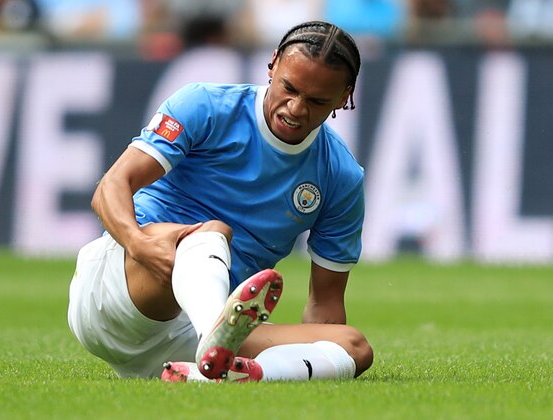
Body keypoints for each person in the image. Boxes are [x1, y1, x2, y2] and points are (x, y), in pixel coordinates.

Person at [67, 20, 374, 382]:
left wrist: (317, 353)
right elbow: (111, 186)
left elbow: (324, 308)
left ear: (344, 97)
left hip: (193, 336)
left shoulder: (340, 176)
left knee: (353, 347)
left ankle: (220, 372)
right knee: (212, 234)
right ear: (272, 63)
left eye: (317, 101)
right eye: (289, 88)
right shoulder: (206, 105)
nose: (295, 108)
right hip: (122, 293)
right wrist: (138, 244)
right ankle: (215, 337)